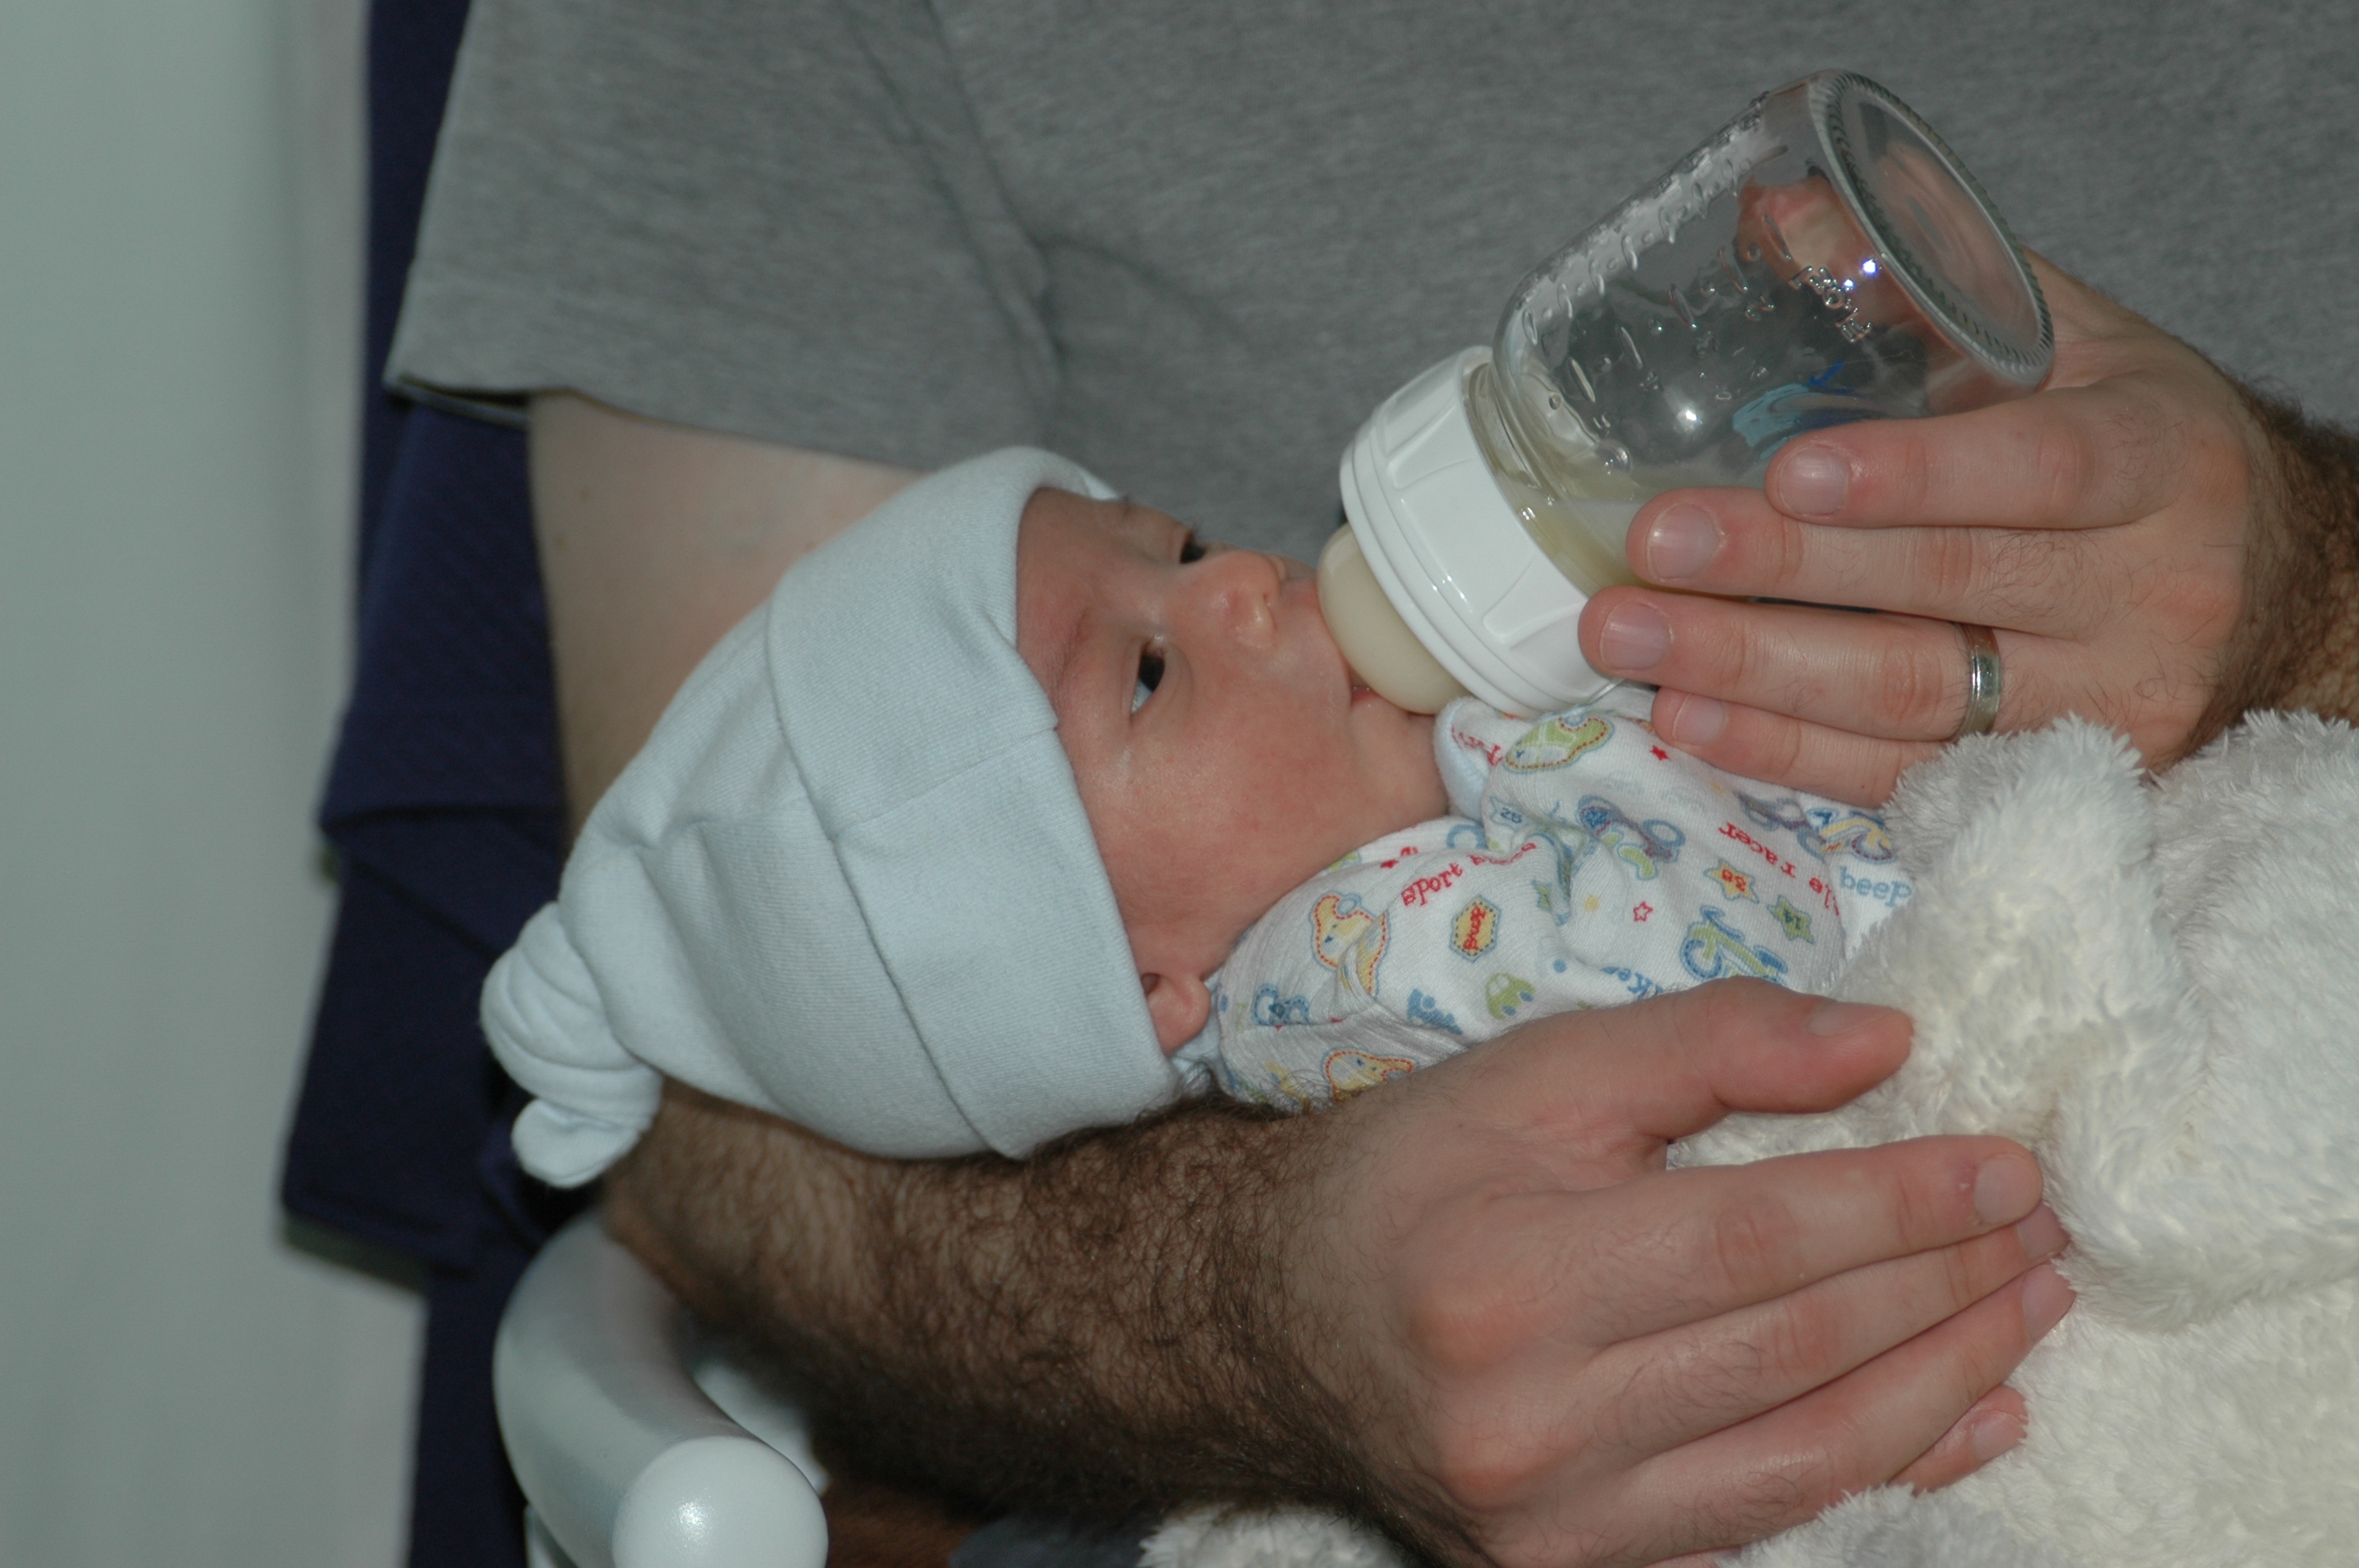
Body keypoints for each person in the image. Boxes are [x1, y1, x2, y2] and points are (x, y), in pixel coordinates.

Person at [377, 3, 2359, 1562]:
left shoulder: (1489, 773)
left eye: (1169, 547)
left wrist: (2312, 587)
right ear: (1139, 994)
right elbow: (736, 1139)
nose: (1244, 576)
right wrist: (1275, 1310)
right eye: (1148, 665)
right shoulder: (1380, 961)